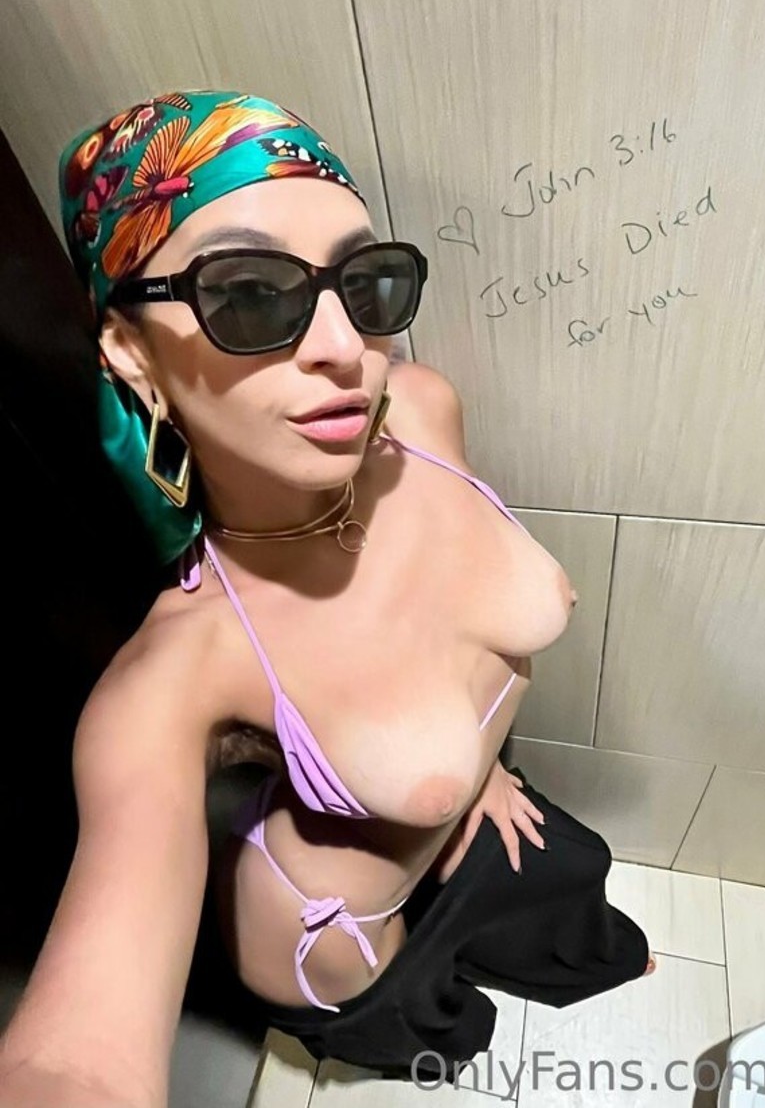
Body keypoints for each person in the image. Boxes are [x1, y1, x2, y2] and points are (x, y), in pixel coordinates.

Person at [0, 90, 654, 1108]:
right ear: (133, 352)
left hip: (467, 804)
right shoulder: (176, 672)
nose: (346, 346)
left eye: (365, 283)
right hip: (331, 934)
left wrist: (474, 770)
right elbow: (76, 1058)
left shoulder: (423, 410)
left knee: (579, 909)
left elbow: (455, 627)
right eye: (250, 296)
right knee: (440, 1046)